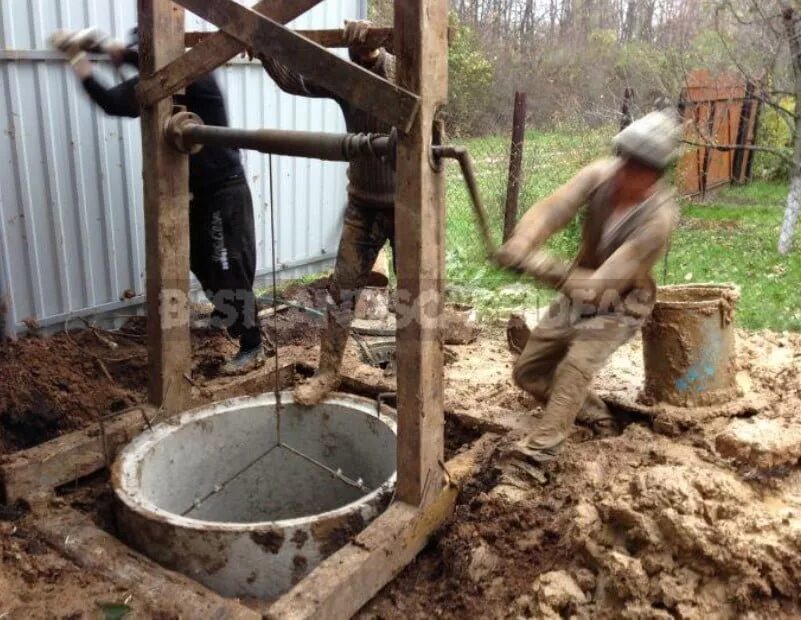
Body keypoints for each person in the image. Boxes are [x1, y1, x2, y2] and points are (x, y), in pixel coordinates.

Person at [50, 28, 263, 375]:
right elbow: (111, 103)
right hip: (196, 194)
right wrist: (77, 59)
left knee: (228, 267)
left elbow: (169, 65)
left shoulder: (198, 76)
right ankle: (228, 313)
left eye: (146, 53)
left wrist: (111, 46)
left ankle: (252, 343)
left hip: (224, 188)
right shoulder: (156, 92)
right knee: (197, 260)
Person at [496, 111, 681, 463]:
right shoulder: (601, 175)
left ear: (654, 176)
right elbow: (552, 210)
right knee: (529, 372)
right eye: (623, 159)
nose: (624, 171)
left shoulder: (659, 219)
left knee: (574, 367)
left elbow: (599, 289)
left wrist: (537, 264)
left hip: (621, 301)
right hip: (577, 288)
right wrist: (522, 241)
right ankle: (599, 416)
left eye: (636, 167)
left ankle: (540, 453)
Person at [255, 20, 396, 405]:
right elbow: (294, 81)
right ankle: (328, 372)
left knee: (418, 294)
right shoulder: (346, 80)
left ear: (378, 48)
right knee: (342, 291)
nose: (360, 54)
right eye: (355, 50)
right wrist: (264, 47)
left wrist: (373, 48)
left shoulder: (402, 72)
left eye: (367, 49)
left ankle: (412, 374)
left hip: (410, 207)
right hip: (363, 203)